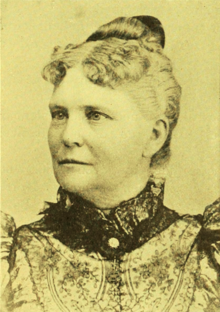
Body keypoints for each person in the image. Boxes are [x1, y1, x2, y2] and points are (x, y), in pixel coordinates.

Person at [1, 16, 219, 312]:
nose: (68, 136)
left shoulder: (206, 255)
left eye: (94, 114)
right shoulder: (15, 258)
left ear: (154, 136)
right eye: (59, 114)